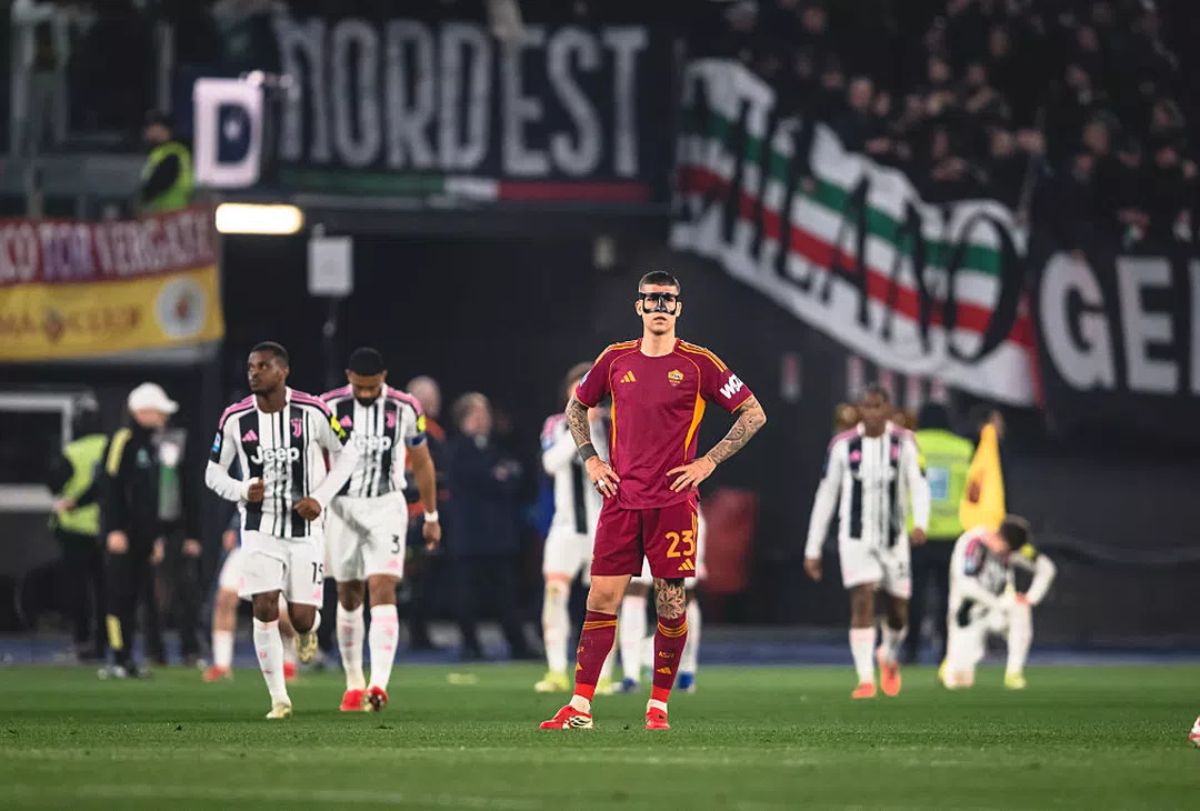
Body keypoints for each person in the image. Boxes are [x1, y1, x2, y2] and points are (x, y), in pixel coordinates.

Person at [541, 270, 767, 731]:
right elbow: (576, 406)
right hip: (621, 499)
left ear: (678, 308)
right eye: (652, 299)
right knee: (601, 598)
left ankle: (658, 707)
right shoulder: (614, 359)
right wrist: (591, 460)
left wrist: (708, 462)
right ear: (639, 306)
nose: (660, 307)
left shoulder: (700, 363)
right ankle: (579, 707)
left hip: (673, 503)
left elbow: (753, 412)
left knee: (671, 604)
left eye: (668, 300)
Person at [205, 342, 360, 719]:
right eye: (250, 367)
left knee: (302, 617)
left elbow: (348, 455)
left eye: (263, 366)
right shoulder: (235, 417)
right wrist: (241, 490)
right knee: (264, 606)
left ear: (283, 371)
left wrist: (320, 497)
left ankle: (308, 633)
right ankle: (279, 699)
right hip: (258, 527)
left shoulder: (313, 410)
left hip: (305, 528)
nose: (254, 373)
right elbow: (212, 472)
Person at [321, 348, 442, 713]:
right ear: (348, 377)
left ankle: (378, 684)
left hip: (386, 506)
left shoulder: (405, 407)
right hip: (342, 507)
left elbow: (422, 461)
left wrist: (432, 515)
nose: (366, 393)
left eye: (372, 387)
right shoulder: (328, 406)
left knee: (383, 585)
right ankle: (353, 682)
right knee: (348, 594)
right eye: (360, 386)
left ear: (384, 379)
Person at [804, 384, 930, 699]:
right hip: (855, 538)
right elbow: (826, 495)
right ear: (860, 409)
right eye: (867, 406)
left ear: (888, 409)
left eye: (877, 406)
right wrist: (813, 548)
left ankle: (888, 654)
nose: (872, 412)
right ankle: (865, 679)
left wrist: (921, 522)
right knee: (861, 600)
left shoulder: (905, 442)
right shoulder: (843, 445)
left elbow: (918, 484)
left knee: (898, 613)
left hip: (894, 540)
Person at [101, 382, 201, 678]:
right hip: (123, 536)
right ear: (141, 412)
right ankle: (118, 658)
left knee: (137, 599)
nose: (163, 417)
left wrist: (155, 537)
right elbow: (111, 486)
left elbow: (150, 498)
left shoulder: (151, 446)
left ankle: (129, 659)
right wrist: (114, 529)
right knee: (118, 597)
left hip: (144, 538)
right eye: (158, 411)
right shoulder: (123, 441)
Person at [535, 363, 616, 694]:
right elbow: (550, 463)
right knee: (555, 594)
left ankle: (603, 675)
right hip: (566, 527)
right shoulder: (555, 425)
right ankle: (556, 671)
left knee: (605, 601)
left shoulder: (612, 425)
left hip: (604, 526)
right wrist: (578, 428)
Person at [446, 393, 535, 661]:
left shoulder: (497, 448)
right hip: (469, 535)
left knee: (506, 593)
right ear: (463, 419)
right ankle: (470, 645)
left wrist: (497, 477)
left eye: (484, 413)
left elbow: (515, 477)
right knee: (467, 594)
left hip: (498, 536)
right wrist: (494, 477)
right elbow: (476, 478)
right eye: (476, 414)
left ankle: (517, 644)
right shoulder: (456, 449)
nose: (482, 419)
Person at [941, 516, 1057, 690]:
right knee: (959, 682)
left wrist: (1031, 597)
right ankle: (952, 661)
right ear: (998, 536)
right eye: (1006, 549)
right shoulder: (971, 543)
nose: (1007, 555)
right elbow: (966, 586)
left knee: (1020, 608)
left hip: (998, 610)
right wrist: (997, 603)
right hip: (968, 614)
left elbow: (1046, 568)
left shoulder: (1012, 549)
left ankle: (1014, 672)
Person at [903, 402, 974, 665]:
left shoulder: (909, 445)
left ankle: (910, 650)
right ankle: (947, 650)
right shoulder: (963, 449)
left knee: (913, 594)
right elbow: (972, 491)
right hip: (952, 533)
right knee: (949, 596)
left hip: (915, 532)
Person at [618, 505, 708, 693]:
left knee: (682, 592)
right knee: (634, 587)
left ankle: (686, 670)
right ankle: (631, 675)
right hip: (639, 512)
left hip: (680, 512)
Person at [44, 395, 107, 662]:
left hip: (74, 529)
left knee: (78, 591)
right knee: (104, 591)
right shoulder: (110, 446)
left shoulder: (73, 451)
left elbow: (53, 484)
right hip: (105, 529)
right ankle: (104, 643)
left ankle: (82, 642)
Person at [202, 512, 299, 683]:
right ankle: (222, 664)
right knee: (224, 600)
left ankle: (290, 659)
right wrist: (233, 527)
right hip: (246, 544)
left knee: (281, 614)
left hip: (278, 548)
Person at [403, 375, 449, 650]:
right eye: (428, 397)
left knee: (424, 578)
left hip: (425, 512)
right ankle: (416, 634)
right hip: (417, 514)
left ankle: (419, 633)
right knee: (418, 577)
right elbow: (413, 474)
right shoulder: (419, 430)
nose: (434, 402)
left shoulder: (433, 429)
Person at [139, 110, 193, 213]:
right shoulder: (165, 151)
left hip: (168, 212)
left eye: (151, 127)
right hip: (171, 211)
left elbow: (158, 183)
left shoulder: (172, 153)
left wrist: (142, 198)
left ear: (163, 129)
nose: (147, 131)